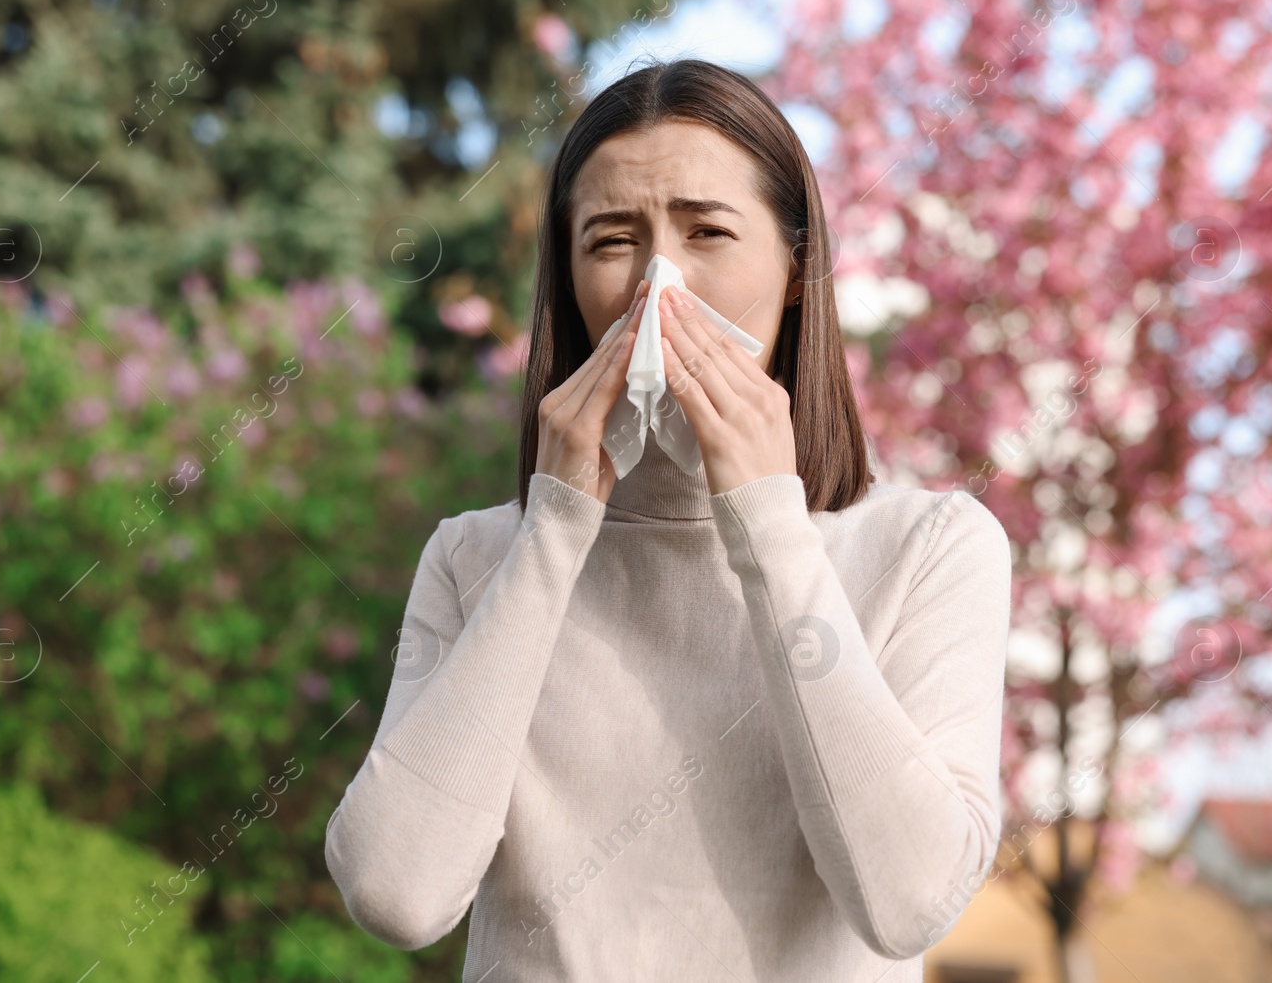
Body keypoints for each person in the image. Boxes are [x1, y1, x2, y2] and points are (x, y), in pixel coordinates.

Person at [324, 58, 1011, 982]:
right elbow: (395, 892)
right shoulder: (474, 555)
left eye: (709, 232)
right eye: (613, 241)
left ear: (796, 267)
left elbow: (909, 900)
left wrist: (768, 519)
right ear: (568, 280)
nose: (660, 287)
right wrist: (555, 530)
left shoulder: (927, 550)